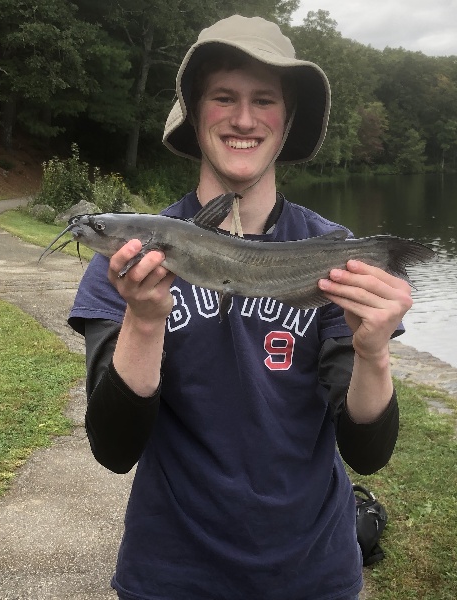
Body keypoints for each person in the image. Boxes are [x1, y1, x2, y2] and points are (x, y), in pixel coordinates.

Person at [68, 14, 413, 600]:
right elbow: (114, 449)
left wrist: (372, 352)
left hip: (314, 573)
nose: (245, 118)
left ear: (287, 120)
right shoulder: (123, 266)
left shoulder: (333, 256)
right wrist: (145, 323)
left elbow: (368, 453)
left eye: (264, 100)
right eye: (223, 97)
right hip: (171, 575)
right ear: (196, 113)